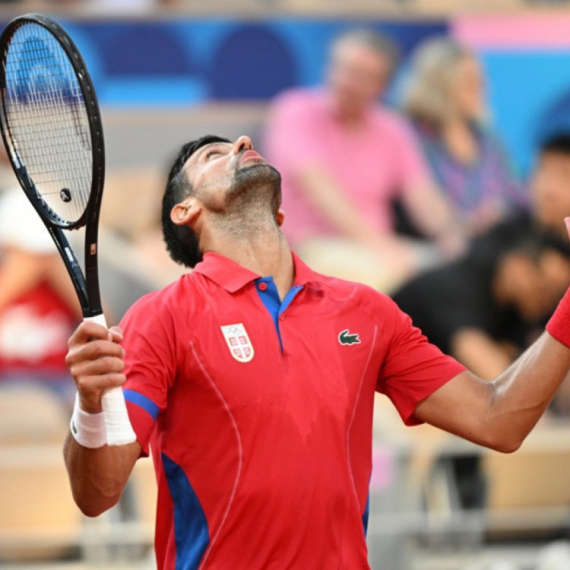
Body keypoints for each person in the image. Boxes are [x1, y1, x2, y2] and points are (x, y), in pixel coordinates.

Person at [64, 135, 570, 570]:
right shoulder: (163, 315)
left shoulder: (367, 311)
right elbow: (98, 493)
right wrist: (90, 406)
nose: (242, 143)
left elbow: (498, 419)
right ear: (187, 210)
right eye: (215, 154)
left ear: (280, 209)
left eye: (242, 142)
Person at [264, 29, 463, 292]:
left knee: (459, 273)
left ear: (381, 85)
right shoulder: (295, 111)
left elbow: (422, 194)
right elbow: (324, 193)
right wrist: (381, 247)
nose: (345, 81)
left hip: (380, 246)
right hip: (310, 246)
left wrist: (451, 235)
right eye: (341, 68)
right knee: (382, 282)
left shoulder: (392, 128)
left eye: (360, 75)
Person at [401, 37, 526, 236]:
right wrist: (468, 222)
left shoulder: (487, 137)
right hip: (444, 240)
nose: (481, 88)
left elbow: (517, 193)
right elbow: (418, 203)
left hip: (500, 237)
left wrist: (499, 211)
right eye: (470, 81)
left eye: (481, 80)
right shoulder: (409, 137)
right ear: (439, 86)